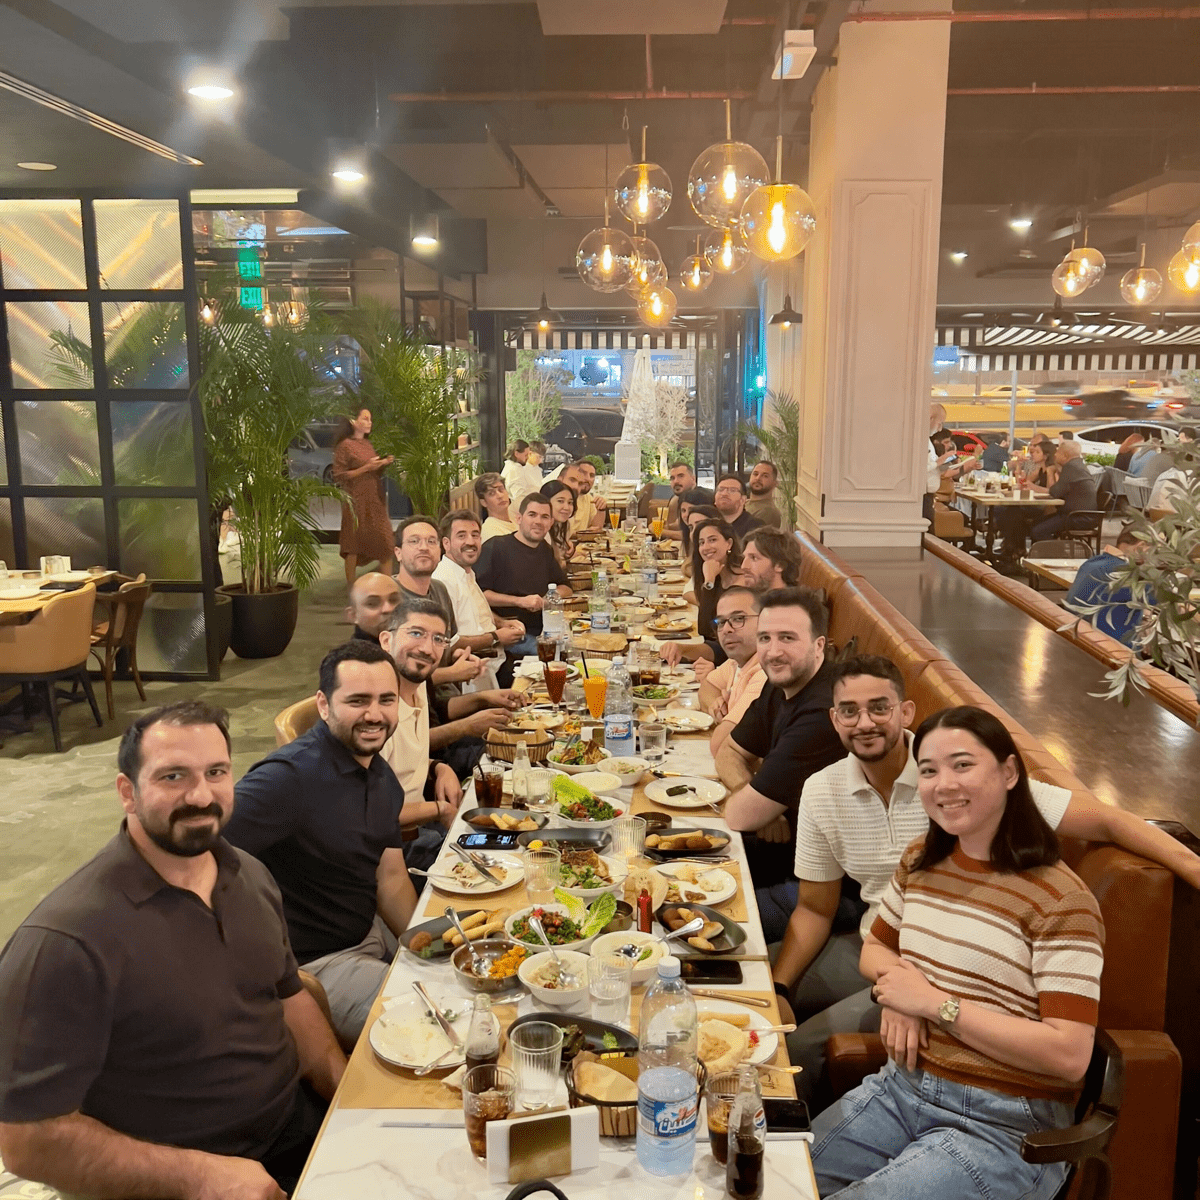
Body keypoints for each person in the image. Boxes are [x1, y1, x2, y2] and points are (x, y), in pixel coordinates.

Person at [774, 654, 1200, 1108]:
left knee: (796, 1051)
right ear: (834, 719)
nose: (865, 723)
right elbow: (816, 908)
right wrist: (778, 989)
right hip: (878, 941)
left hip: (951, 964)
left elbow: (1108, 823)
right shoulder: (826, 790)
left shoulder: (963, 781)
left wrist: (1191, 865)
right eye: (850, 711)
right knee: (750, 988)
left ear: (905, 712)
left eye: (879, 707)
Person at [0, 701, 345, 1199]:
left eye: (216, 772)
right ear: (128, 792)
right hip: (178, 1178)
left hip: (294, 1131)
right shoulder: (64, 942)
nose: (200, 795)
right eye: (173, 776)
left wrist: (343, 1089)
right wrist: (203, 1177)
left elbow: (288, 996)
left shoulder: (248, 874)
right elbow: (27, 1141)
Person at [808, 705, 1105, 1200]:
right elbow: (876, 949)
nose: (943, 784)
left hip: (1005, 1126)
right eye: (928, 770)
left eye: (963, 765)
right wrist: (903, 994)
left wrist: (932, 1004)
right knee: (773, 1177)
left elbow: (1070, 1055)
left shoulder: (1061, 899)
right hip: (901, 1088)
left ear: (1009, 772)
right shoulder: (924, 860)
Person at [223, 641, 416, 1042]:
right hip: (319, 962)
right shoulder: (288, 779)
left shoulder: (379, 775)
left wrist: (424, 944)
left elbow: (392, 878)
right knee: (435, 1023)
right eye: (358, 701)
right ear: (324, 705)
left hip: (368, 930)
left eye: (386, 700)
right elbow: (192, 850)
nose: (375, 714)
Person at [718, 587, 845, 907]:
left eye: (788, 638)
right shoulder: (782, 685)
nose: (773, 652)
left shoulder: (822, 712)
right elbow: (727, 753)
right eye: (765, 638)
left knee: (695, 910)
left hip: (819, 882)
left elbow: (739, 815)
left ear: (819, 646)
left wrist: (757, 805)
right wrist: (756, 795)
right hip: (779, 846)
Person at [432, 510, 526, 692]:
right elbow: (448, 643)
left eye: (475, 535)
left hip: (498, 664)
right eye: (461, 536)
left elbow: (476, 611)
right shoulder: (443, 581)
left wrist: (502, 623)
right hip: (473, 676)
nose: (470, 542)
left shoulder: (466, 572)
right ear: (446, 543)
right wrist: (496, 637)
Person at [393, 515, 487, 690]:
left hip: (445, 696)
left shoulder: (439, 590)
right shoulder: (389, 598)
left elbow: (447, 645)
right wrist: (452, 673)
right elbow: (394, 677)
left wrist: (458, 656)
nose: (423, 547)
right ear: (398, 553)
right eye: (414, 541)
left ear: (441, 549)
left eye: (431, 541)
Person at [475, 493, 572, 659]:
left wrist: (546, 599)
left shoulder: (544, 549)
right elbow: (478, 595)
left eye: (544, 517)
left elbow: (566, 587)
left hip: (545, 630)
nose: (538, 521)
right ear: (519, 518)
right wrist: (519, 601)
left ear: (550, 523)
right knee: (561, 657)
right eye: (532, 515)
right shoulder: (496, 547)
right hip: (512, 634)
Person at [699, 586, 766, 757]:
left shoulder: (765, 672)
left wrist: (725, 722)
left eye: (738, 619)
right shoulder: (737, 661)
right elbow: (707, 685)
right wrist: (718, 707)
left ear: (765, 621)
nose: (727, 629)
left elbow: (720, 746)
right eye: (721, 622)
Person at [333, 407, 395, 587]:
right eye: (366, 419)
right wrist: (365, 468)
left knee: (385, 543)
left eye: (370, 419)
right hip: (355, 500)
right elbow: (339, 475)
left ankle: (388, 586)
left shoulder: (367, 444)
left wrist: (382, 463)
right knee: (353, 544)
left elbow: (372, 470)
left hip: (374, 498)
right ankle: (352, 587)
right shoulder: (345, 446)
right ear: (354, 421)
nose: (370, 423)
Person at [1064, 525, 1148, 645]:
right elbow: (1171, 600)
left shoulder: (1091, 563)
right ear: (1140, 548)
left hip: (1078, 644)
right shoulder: (1127, 574)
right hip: (1112, 651)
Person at [684, 518, 747, 666]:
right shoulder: (717, 575)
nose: (706, 547)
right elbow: (705, 631)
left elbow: (706, 629)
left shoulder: (743, 581)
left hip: (732, 656)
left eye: (712, 540)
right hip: (718, 650)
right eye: (701, 542)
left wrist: (709, 582)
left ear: (729, 543)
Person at [1030, 438, 1098, 542]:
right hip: (1081, 515)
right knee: (1035, 523)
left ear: (1065, 456)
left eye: (1058, 452)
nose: (1055, 455)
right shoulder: (1077, 466)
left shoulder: (1071, 468)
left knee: (1037, 531)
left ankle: (1056, 554)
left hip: (1078, 517)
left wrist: (1051, 473)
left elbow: (1054, 492)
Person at [739, 526, 803, 591]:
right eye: (744, 558)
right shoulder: (748, 596)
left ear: (780, 565)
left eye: (754, 558)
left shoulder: (791, 600)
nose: (743, 566)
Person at [346, 570, 401, 644]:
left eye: (394, 600)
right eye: (373, 604)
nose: (388, 609)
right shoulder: (351, 655)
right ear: (353, 615)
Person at [561, 459, 607, 533]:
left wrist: (601, 509)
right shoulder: (556, 499)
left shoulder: (588, 498)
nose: (588, 479)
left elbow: (595, 529)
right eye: (583, 473)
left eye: (591, 475)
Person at [713, 474, 763, 540]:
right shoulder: (709, 524)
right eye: (721, 489)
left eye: (732, 490)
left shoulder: (755, 527)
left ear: (743, 500)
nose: (724, 494)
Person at [540, 479, 578, 566]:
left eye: (570, 503)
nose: (567, 507)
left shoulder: (563, 524)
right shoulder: (540, 530)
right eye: (560, 501)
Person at [475, 473, 518, 542]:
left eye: (501, 489)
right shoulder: (490, 531)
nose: (500, 496)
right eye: (492, 493)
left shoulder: (516, 518)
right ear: (484, 502)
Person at [662, 460, 697, 541]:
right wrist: (667, 526)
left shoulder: (700, 497)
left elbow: (692, 535)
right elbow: (681, 523)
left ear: (693, 479)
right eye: (672, 478)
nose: (676, 481)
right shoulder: (682, 497)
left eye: (681, 476)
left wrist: (660, 531)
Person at [745, 460, 784, 526]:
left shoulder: (768, 512)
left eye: (765, 476)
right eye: (755, 474)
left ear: (775, 483)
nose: (758, 478)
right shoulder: (744, 503)